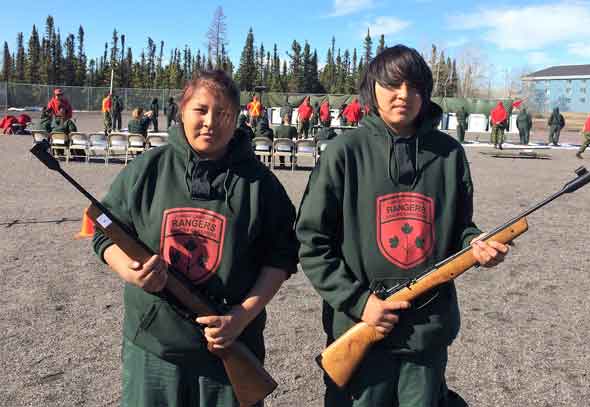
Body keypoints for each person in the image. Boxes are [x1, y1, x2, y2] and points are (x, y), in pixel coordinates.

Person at [296, 45, 509, 407]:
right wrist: (360, 303)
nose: (404, 95)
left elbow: (460, 227)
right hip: (359, 325)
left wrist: (477, 244)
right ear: (371, 88)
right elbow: (311, 242)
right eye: (392, 84)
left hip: (426, 332)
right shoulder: (343, 153)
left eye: (414, 86)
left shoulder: (449, 154)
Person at [92, 69, 298, 407]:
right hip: (154, 349)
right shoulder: (146, 170)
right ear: (182, 111)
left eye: (223, 113)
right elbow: (104, 233)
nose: (210, 122)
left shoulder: (262, 186)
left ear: (237, 120)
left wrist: (240, 317)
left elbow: (281, 259)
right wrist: (129, 270)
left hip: (228, 347)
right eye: (200, 110)